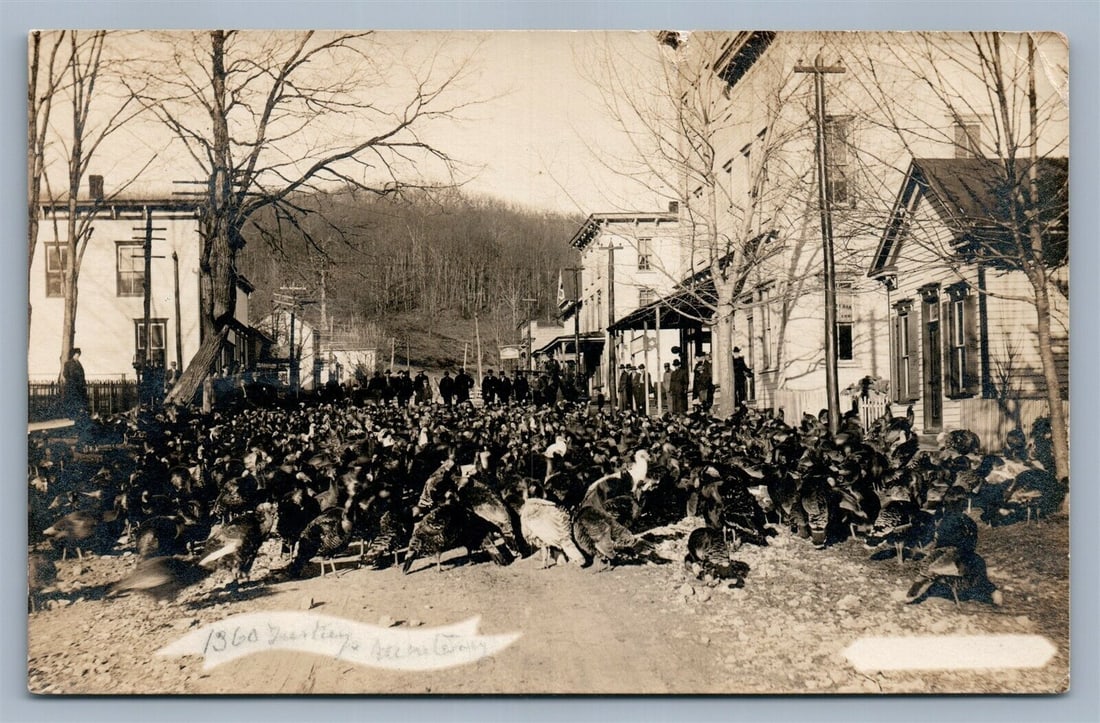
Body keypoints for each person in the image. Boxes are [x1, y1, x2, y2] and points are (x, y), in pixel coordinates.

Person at [61, 347, 90, 424]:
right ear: (73, 355)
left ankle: (77, 415)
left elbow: (82, 375)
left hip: (79, 387)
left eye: (78, 355)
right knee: (72, 401)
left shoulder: (79, 363)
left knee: (79, 401)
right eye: (76, 355)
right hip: (72, 386)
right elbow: (65, 374)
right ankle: (71, 415)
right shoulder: (68, 363)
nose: (77, 356)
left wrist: (83, 383)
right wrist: (72, 381)